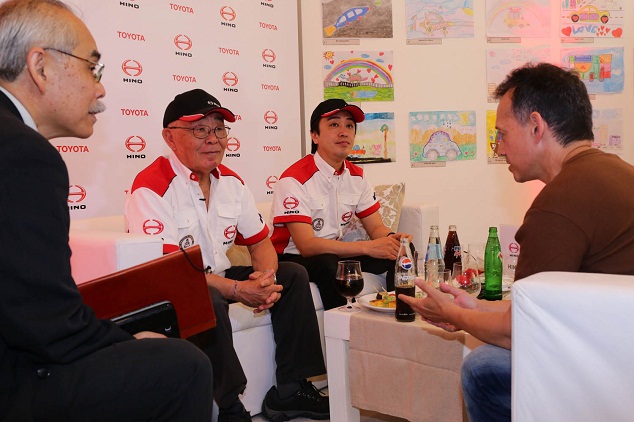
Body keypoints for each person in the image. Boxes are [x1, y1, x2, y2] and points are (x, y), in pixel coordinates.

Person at [0, 1, 213, 421]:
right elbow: (45, 321)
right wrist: (126, 341)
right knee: (183, 365)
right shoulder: (23, 153)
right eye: (91, 69)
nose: (100, 90)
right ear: (40, 66)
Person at [400, 62, 634, 422]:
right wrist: (473, 309)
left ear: (536, 126)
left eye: (503, 134)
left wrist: (453, 315)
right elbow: (546, 310)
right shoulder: (618, 172)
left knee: (483, 368)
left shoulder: (559, 203)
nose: (499, 149)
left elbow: (519, 332)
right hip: (615, 344)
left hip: (610, 368)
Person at [124, 88, 329, 422]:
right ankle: (231, 407)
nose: (213, 139)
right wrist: (237, 290)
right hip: (169, 288)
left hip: (213, 276)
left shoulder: (231, 182)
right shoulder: (151, 186)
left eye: (219, 129)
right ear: (170, 137)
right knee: (207, 297)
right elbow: (168, 272)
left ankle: (291, 391)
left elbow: (260, 242)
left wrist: (265, 279)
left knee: (293, 274)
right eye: (200, 130)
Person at [270, 99, 410, 309]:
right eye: (334, 124)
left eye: (349, 126)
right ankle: (340, 331)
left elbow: (376, 228)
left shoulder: (357, 176)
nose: (343, 132)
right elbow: (307, 246)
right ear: (314, 135)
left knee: (399, 254)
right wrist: (368, 247)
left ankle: (398, 315)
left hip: (335, 254)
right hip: (292, 259)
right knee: (331, 265)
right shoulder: (294, 179)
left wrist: (394, 241)